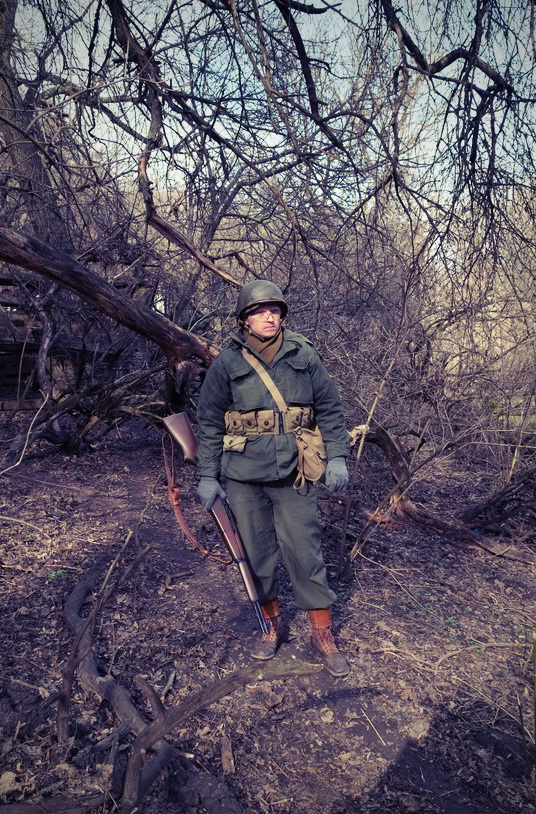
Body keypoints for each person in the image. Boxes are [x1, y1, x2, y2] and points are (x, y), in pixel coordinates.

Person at [195, 280, 351, 677]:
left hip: (294, 471)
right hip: (244, 475)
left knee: (305, 552)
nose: (270, 317)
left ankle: (322, 632)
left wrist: (337, 457)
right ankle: (271, 625)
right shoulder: (227, 362)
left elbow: (329, 407)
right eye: (260, 311)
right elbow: (209, 421)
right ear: (244, 319)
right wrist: (207, 475)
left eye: (275, 310)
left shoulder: (303, 353)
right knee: (256, 554)